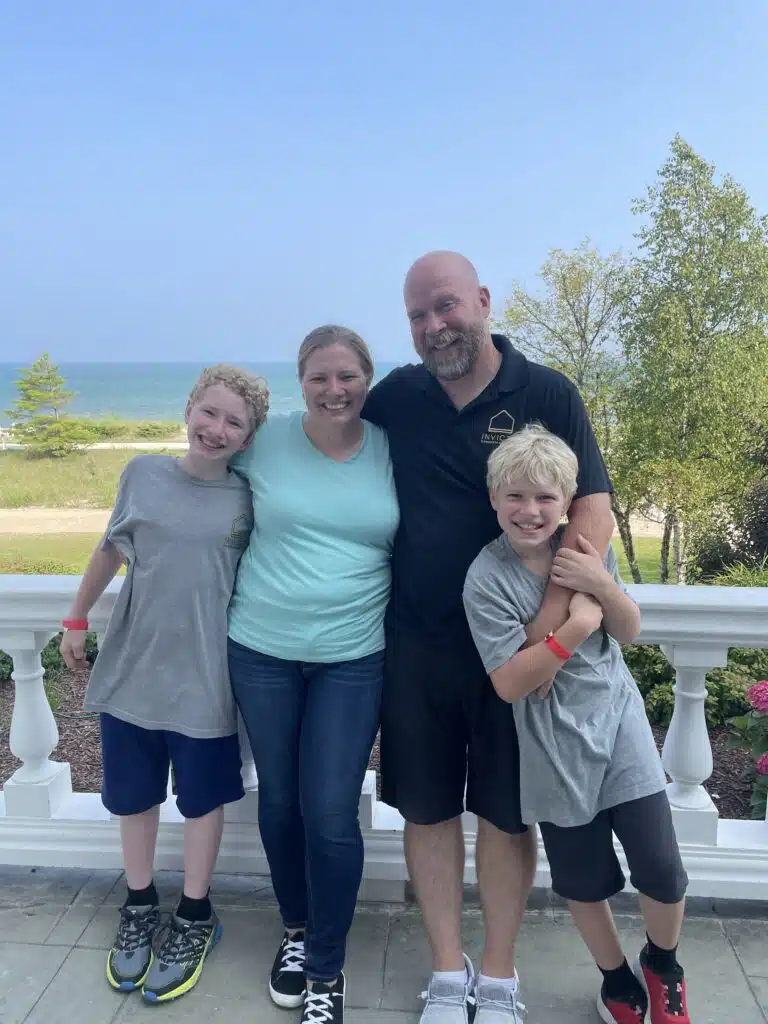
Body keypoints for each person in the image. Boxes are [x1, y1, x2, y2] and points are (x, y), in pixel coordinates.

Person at [362, 251, 616, 1022]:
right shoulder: (397, 397)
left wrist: (550, 620)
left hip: (519, 653)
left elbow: (593, 509)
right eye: (417, 315)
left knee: (508, 814)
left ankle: (499, 975)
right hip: (420, 649)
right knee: (429, 811)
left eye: (445, 307)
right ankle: (448, 969)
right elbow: (327, 445)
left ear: (482, 301)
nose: (434, 326)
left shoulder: (545, 392)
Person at [462, 423, 690, 1024]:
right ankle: (617, 980)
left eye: (544, 498)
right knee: (585, 881)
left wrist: (598, 588)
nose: (530, 511)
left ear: (566, 503)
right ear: (493, 500)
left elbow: (631, 628)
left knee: (661, 867)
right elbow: (510, 681)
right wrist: (576, 629)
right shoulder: (487, 577)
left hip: (620, 729)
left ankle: (663, 967)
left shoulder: (586, 551)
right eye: (515, 496)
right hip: (550, 748)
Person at [59, 364, 269, 1004]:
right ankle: (140, 902)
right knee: (133, 795)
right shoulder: (142, 474)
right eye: (210, 412)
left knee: (202, 800)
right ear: (188, 410)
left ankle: (196, 915)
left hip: (208, 678)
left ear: (248, 437)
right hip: (134, 669)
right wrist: (75, 617)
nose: (217, 428)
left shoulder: (250, 495)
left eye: (235, 422)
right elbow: (109, 548)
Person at [227, 325, 399, 1024]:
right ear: (301, 382)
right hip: (260, 648)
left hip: (354, 656)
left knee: (329, 811)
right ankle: (296, 931)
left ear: (368, 377)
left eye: (348, 376)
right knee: (278, 801)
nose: (336, 391)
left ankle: (326, 966)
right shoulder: (263, 440)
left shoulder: (392, 445)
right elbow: (202, 484)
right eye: (320, 378)